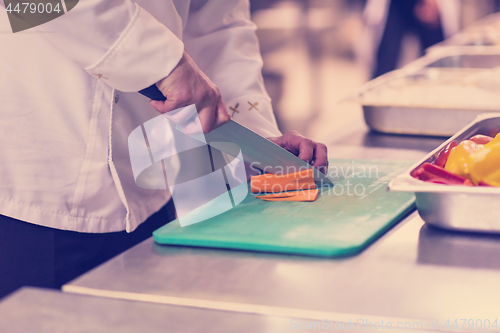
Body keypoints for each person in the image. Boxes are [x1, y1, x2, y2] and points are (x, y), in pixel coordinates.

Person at [0, 0, 328, 298]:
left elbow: (215, 21)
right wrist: (164, 62)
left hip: (149, 193)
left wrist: (251, 133)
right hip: (30, 195)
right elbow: (31, 5)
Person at [357, 0, 460, 78]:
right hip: (394, 4)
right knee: (386, 59)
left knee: (435, 60)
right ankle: (376, 102)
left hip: (429, 3)